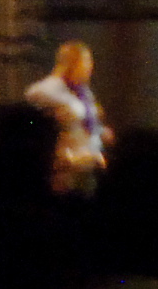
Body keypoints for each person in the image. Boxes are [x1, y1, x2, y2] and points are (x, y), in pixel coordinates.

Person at [25, 42, 112, 190]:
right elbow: (34, 122)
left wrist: (101, 132)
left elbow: (85, 123)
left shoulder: (83, 92)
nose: (89, 69)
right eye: (85, 63)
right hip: (66, 169)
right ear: (71, 63)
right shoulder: (45, 91)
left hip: (89, 167)